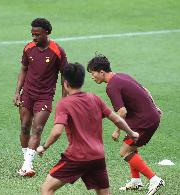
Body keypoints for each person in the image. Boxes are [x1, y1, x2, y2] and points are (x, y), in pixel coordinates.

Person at [37, 63, 139, 195]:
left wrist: (44, 147)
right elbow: (117, 119)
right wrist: (131, 133)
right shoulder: (94, 98)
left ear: (65, 83)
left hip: (76, 157)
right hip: (97, 156)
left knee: (47, 188)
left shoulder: (64, 103)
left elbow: (57, 132)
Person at [87, 54, 165, 195]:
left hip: (144, 122)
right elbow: (146, 90)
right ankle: (136, 181)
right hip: (149, 117)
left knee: (125, 151)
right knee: (130, 146)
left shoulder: (111, 86)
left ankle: (154, 179)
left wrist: (117, 130)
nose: (92, 77)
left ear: (101, 72)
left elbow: (122, 111)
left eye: (93, 73)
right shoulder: (122, 75)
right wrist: (155, 106)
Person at [13, 18, 68, 177]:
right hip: (28, 94)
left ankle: (27, 165)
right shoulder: (28, 48)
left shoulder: (57, 51)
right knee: (24, 127)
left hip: (44, 96)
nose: (34, 38)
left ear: (47, 33)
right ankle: (26, 162)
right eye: (32, 34)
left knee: (37, 128)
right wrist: (17, 92)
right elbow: (23, 69)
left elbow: (64, 75)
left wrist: (64, 100)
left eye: (37, 34)